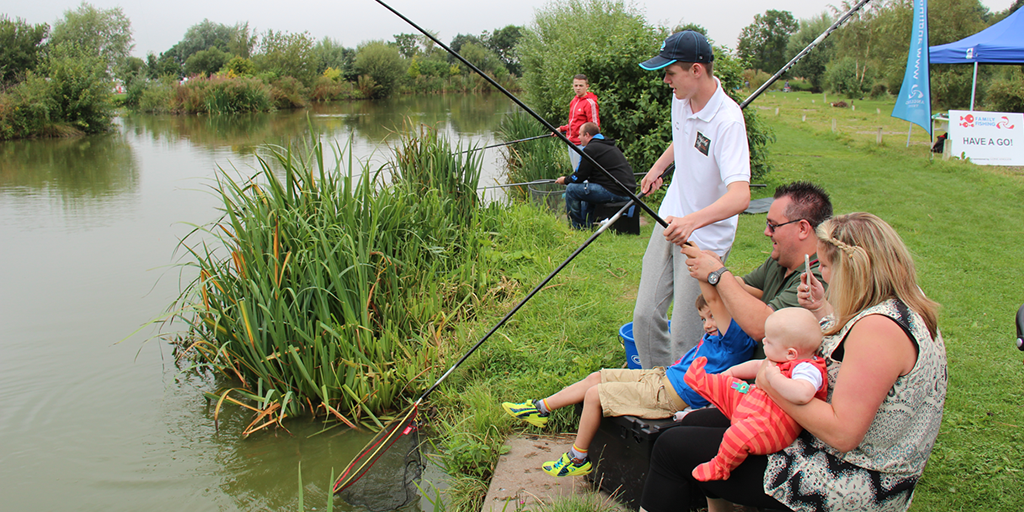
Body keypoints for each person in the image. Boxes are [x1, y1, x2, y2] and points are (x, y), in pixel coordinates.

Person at [640, 212, 946, 512]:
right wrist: (822, 309)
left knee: (672, 449)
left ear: (853, 270)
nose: (822, 274)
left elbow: (843, 433)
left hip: (854, 480)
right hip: (842, 455)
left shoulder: (879, 330)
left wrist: (770, 382)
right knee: (697, 423)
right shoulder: (902, 305)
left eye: (825, 266)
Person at [500, 277, 757, 478]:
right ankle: (540, 408)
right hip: (659, 378)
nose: (708, 324)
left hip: (667, 396)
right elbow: (713, 302)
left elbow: (714, 297)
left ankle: (577, 458)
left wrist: (706, 269)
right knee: (595, 378)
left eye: (713, 317)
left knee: (595, 395)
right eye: (703, 319)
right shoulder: (717, 337)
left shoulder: (736, 341)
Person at [633, 30, 751, 369]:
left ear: (696, 70)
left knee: (686, 333)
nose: (666, 80)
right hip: (669, 219)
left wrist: (692, 222)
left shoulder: (728, 122)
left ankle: (681, 403)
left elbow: (740, 197)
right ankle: (654, 387)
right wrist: (659, 168)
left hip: (704, 239)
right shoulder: (681, 99)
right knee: (644, 315)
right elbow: (682, 138)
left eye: (670, 73)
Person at [682, 181, 832, 347]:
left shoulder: (819, 275)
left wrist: (717, 274)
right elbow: (742, 289)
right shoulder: (781, 261)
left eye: (773, 225)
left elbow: (764, 327)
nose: (766, 232)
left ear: (803, 228)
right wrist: (714, 266)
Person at [684, 307, 826, 482]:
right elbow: (756, 366)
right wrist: (730, 373)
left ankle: (721, 467)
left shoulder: (807, 368)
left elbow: (803, 394)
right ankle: (702, 381)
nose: (764, 341)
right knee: (732, 386)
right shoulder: (779, 358)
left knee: (736, 435)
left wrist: (774, 379)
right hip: (757, 404)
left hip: (773, 425)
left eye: (770, 341)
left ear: (791, 353)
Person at [555, 122, 636, 229]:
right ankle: (586, 225)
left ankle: (576, 227)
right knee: (587, 188)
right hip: (628, 190)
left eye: (580, 134)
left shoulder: (590, 149)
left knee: (571, 189)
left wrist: (564, 180)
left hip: (616, 191)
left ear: (587, 135)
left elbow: (579, 177)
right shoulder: (607, 145)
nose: (579, 138)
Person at [556, 74, 599, 171]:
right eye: (576, 85)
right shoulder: (574, 101)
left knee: (583, 173)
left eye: (581, 85)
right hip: (571, 142)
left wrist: (590, 145)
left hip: (582, 145)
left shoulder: (590, 103)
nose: (578, 88)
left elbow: (594, 126)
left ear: (587, 86)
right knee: (576, 171)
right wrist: (562, 129)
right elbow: (574, 123)